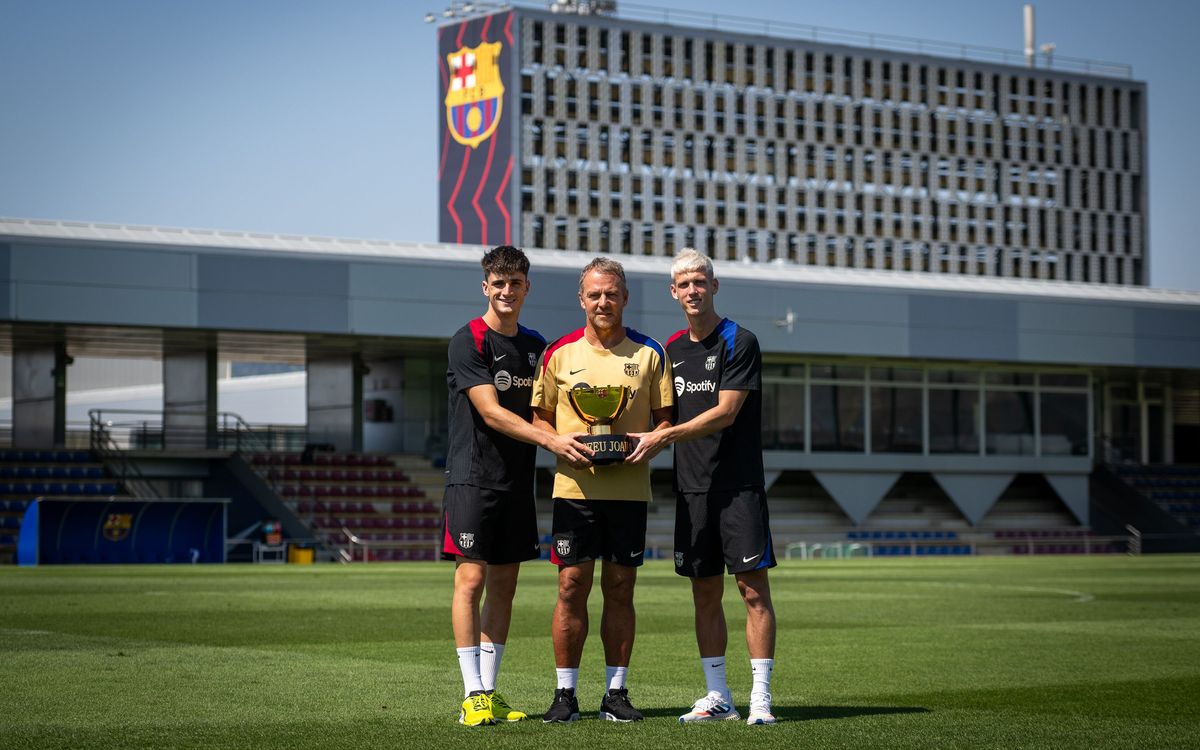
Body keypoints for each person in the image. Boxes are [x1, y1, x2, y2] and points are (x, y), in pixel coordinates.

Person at [626, 248, 779, 725]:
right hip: (691, 491)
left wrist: (664, 436)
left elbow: (726, 412)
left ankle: (760, 698)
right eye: (683, 284)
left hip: (738, 488)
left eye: (700, 281)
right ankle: (719, 697)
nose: (692, 290)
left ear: (714, 286)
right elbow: (657, 411)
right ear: (673, 292)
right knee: (704, 594)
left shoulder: (740, 340)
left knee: (753, 592)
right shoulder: (670, 350)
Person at [442, 245, 593, 727]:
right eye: (498, 283)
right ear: (486, 287)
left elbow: (551, 409)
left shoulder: (537, 346)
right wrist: (553, 440)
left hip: (516, 483)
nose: (507, 291)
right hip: (472, 478)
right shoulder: (469, 339)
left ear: (528, 287)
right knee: (471, 580)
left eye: (516, 283)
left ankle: (489, 690)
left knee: (505, 585)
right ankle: (471, 693)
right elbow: (490, 411)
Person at [531, 257, 674, 723]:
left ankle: (615, 693)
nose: (603, 301)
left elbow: (665, 421)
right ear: (581, 299)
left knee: (620, 588)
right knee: (571, 587)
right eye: (594, 294)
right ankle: (564, 695)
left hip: (629, 491)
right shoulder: (558, 353)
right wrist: (558, 443)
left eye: (611, 293)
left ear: (625, 298)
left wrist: (652, 443)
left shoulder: (650, 352)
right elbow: (540, 420)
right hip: (573, 489)